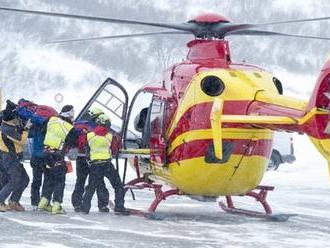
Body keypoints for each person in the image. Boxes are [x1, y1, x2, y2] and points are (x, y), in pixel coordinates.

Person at [16, 99, 58, 210]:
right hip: (46, 156)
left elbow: (28, 136)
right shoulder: (49, 127)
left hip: (36, 156)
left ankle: (35, 202)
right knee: (48, 179)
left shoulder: (35, 126)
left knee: (37, 180)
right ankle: (44, 201)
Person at [81, 114, 127, 214]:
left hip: (94, 165)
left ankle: (85, 208)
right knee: (118, 186)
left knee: (91, 187)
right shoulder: (110, 136)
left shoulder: (89, 136)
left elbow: (82, 145)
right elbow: (115, 150)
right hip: (107, 164)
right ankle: (119, 207)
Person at [38, 105, 78, 214]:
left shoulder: (51, 120)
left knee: (48, 177)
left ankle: (44, 202)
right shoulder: (70, 127)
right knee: (60, 180)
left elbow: (42, 132)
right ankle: (56, 205)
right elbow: (73, 142)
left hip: (45, 154)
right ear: (70, 115)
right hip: (57, 156)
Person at [71, 107, 109, 212]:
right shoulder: (99, 128)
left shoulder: (80, 126)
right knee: (99, 182)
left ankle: (77, 204)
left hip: (84, 158)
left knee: (81, 181)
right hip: (93, 160)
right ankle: (102, 205)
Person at [0, 100, 29, 212]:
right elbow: (21, 140)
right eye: (17, 117)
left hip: (13, 157)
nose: (19, 119)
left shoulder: (11, 126)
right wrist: (26, 129)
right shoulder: (7, 129)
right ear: (12, 119)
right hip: (8, 157)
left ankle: (13, 201)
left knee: (24, 179)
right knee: (13, 180)